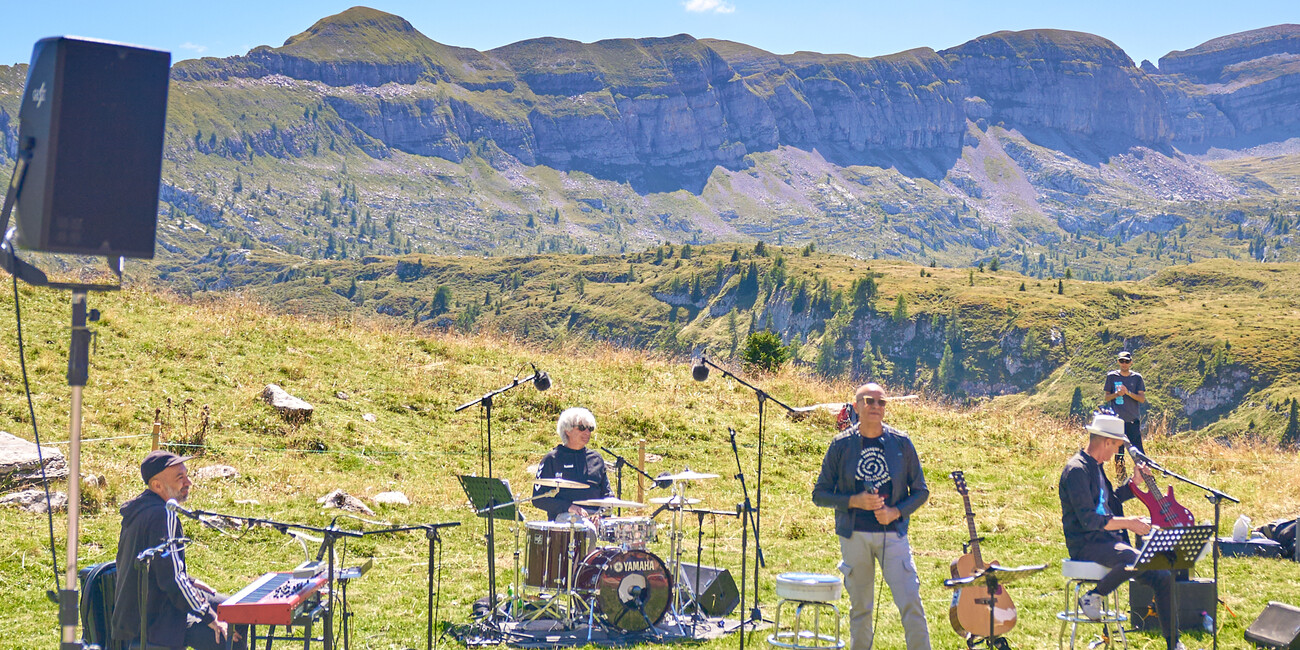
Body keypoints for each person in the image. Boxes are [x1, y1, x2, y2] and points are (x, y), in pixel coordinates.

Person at [812, 383, 931, 650]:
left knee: (911, 602)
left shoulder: (901, 443)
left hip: (894, 535)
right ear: (856, 406)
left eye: (881, 402)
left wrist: (896, 512)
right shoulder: (841, 445)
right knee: (861, 609)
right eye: (869, 401)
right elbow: (819, 494)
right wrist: (854, 501)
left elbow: (921, 491)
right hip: (854, 536)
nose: (876, 406)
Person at [1060, 413, 1183, 650]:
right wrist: (1129, 523)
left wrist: (1134, 484)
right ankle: (1094, 595)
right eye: (1117, 446)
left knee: (1163, 576)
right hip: (1086, 544)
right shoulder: (1076, 471)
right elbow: (1089, 520)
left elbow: (1111, 503)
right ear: (1107, 441)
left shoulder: (1095, 468)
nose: (1117, 452)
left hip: (1108, 542)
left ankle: (1174, 644)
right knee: (1133, 557)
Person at [112, 450, 246, 650]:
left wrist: (191, 581)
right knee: (228, 637)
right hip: (157, 621)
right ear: (157, 485)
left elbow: (160, 567)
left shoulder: (140, 511)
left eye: (186, 475)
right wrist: (210, 617)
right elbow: (172, 580)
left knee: (237, 610)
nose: (188, 482)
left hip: (139, 615)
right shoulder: (163, 514)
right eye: (180, 478)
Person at [532, 407, 613, 521]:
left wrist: (601, 514)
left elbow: (607, 495)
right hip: (565, 519)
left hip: (596, 520)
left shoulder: (596, 459)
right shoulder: (552, 459)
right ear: (567, 430)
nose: (587, 433)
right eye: (582, 428)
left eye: (590, 428)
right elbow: (538, 499)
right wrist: (568, 507)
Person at [1103, 351, 1146, 454]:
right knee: (1119, 453)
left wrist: (1128, 393)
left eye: (1126, 361)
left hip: (1132, 421)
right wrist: (1117, 394)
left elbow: (1142, 399)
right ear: (1118, 362)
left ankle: (1143, 466)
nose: (1124, 364)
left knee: (1138, 452)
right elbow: (1107, 398)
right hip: (1117, 421)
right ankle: (1120, 466)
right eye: (1122, 361)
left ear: (1131, 362)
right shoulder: (1111, 376)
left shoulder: (1137, 378)